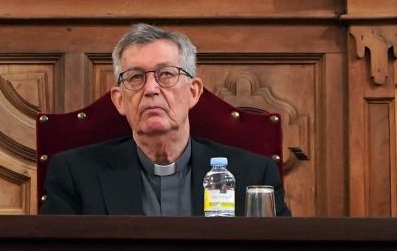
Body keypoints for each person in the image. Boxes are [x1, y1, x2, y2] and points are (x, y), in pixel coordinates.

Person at [40, 24, 290, 216]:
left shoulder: (254, 176)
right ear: (118, 100)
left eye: (166, 74)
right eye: (135, 77)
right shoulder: (75, 174)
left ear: (193, 92)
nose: (150, 89)